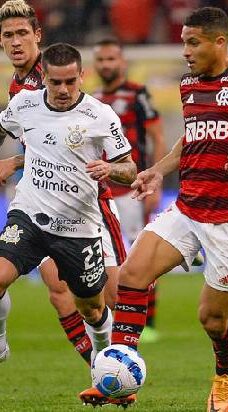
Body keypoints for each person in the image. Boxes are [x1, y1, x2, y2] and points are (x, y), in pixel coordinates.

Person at [79, 7, 228, 411]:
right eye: (183, 41)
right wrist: (156, 171)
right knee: (132, 275)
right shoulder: (188, 85)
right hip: (187, 206)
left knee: (211, 320)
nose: (185, 50)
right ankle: (120, 376)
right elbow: (191, 139)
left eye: (192, 42)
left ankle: (225, 371)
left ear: (219, 42)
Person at [0, 4, 131, 398]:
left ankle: (113, 369)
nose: (16, 42)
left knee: (104, 301)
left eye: (22, 33)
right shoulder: (19, 89)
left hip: (88, 207)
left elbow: (71, 135)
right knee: (57, 291)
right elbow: (30, 134)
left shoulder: (52, 75)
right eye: (8, 35)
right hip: (35, 206)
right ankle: (103, 375)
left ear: (38, 35)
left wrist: (16, 160)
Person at [92, 38, 204, 344]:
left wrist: (155, 179)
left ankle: (149, 321)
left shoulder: (137, 94)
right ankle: (118, 317)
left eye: (111, 59)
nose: (106, 65)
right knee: (112, 260)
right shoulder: (93, 99)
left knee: (140, 255)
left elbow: (155, 135)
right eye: (101, 60)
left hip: (133, 189)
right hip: (103, 192)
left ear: (122, 62)